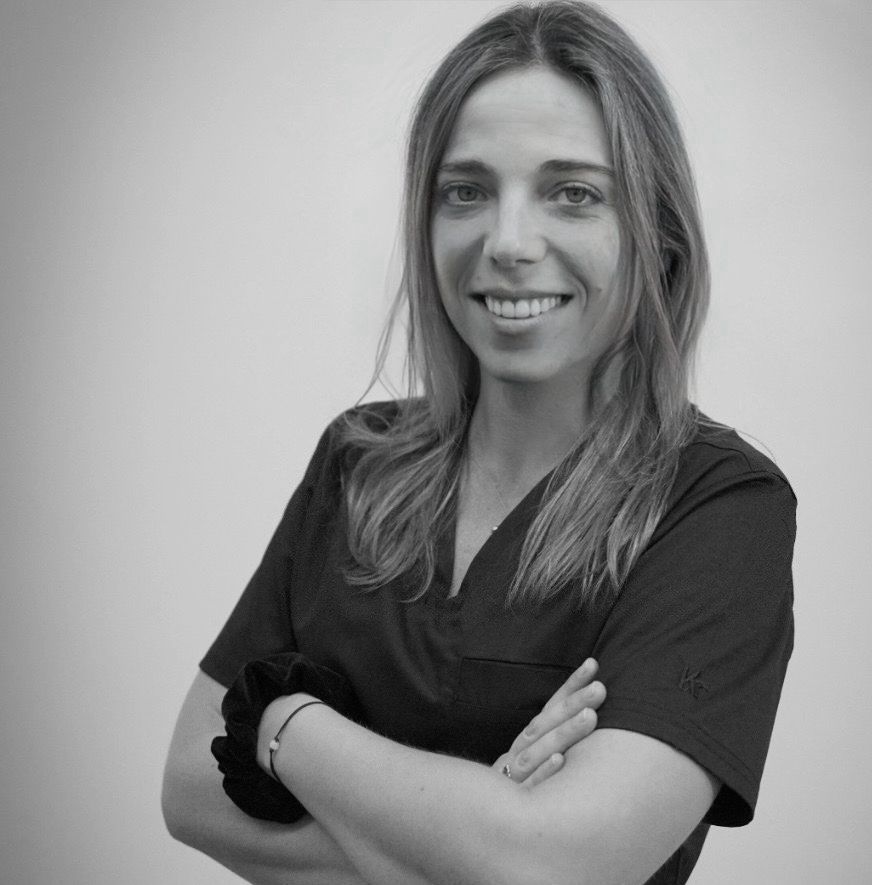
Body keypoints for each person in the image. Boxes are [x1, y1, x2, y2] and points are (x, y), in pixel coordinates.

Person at [162, 2, 796, 883]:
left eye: (572, 192)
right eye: (465, 191)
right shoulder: (358, 459)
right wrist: (480, 829)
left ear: (656, 231)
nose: (505, 242)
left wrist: (284, 726)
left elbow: (556, 867)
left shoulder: (719, 506)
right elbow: (189, 788)